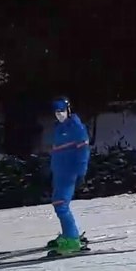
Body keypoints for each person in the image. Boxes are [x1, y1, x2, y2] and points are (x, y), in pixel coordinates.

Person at [47, 98, 91, 255]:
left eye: (62, 111)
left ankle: (72, 240)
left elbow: (83, 151)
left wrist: (81, 173)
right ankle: (68, 235)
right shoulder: (59, 128)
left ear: (68, 110)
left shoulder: (75, 127)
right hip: (60, 173)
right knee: (59, 203)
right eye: (56, 112)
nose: (59, 115)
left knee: (61, 204)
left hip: (69, 172)